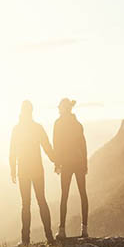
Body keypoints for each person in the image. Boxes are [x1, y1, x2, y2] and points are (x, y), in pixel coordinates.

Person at [9, 100, 56, 244]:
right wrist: (56, 160)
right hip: (37, 169)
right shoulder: (37, 128)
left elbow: (12, 152)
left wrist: (12, 169)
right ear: (31, 111)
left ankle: (25, 241)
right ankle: (49, 237)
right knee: (42, 201)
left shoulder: (17, 129)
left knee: (26, 205)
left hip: (23, 170)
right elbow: (47, 146)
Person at [53, 98, 88, 239]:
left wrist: (57, 163)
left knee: (64, 195)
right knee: (83, 194)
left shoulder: (58, 124)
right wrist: (85, 164)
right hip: (79, 162)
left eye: (60, 107)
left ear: (63, 108)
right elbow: (83, 145)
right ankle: (84, 229)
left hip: (66, 163)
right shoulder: (77, 124)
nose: (58, 110)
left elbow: (57, 145)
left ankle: (62, 230)